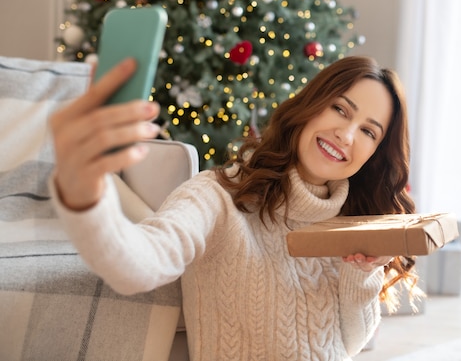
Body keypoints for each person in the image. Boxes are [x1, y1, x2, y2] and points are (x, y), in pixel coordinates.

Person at [49, 55, 418, 360]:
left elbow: (348, 343)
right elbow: (136, 264)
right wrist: (83, 192)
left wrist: (362, 273)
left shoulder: (351, 221)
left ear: (374, 153)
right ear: (310, 105)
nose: (347, 135)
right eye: (340, 108)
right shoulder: (217, 196)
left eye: (369, 132)